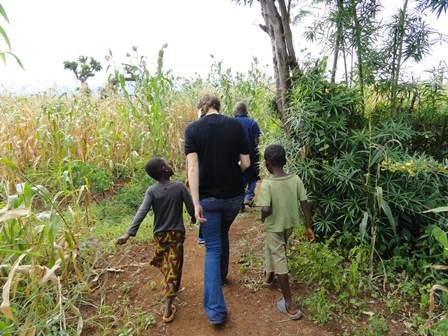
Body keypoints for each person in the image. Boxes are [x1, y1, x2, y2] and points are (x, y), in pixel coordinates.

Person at [185, 94, 250, 325]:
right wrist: (232, 174)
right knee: (222, 232)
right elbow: (246, 163)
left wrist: (195, 203)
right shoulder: (235, 125)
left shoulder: (193, 129)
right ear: (218, 107)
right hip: (234, 197)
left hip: (208, 199)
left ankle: (216, 312)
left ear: (202, 108)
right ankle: (222, 276)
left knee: (212, 247)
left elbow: (192, 168)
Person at [116, 157, 195, 323]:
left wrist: (128, 233)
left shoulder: (152, 191)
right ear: (163, 169)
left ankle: (172, 282)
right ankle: (167, 308)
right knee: (175, 264)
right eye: (167, 163)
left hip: (160, 236)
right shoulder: (179, 187)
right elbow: (191, 207)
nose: (170, 164)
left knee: (170, 263)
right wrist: (194, 216)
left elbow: (142, 211)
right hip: (176, 234)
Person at [255, 144, 315, 320]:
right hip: (289, 224)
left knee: (279, 256)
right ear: (284, 160)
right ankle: (269, 277)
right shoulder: (295, 179)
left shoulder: (267, 184)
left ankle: (289, 303)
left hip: (274, 226)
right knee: (274, 248)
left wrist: (262, 216)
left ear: (267, 164)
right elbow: (305, 204)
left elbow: (266, 209)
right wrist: (308, 226)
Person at [234, 102, 261, 207]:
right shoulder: (253, 123)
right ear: (246, 111)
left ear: (236, 111)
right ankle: (248, 196)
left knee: (239, 177)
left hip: (236, 157)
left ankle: (240, 201)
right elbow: (256, 140)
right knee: (253, 177)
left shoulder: (232, 123)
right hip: (252, 155)